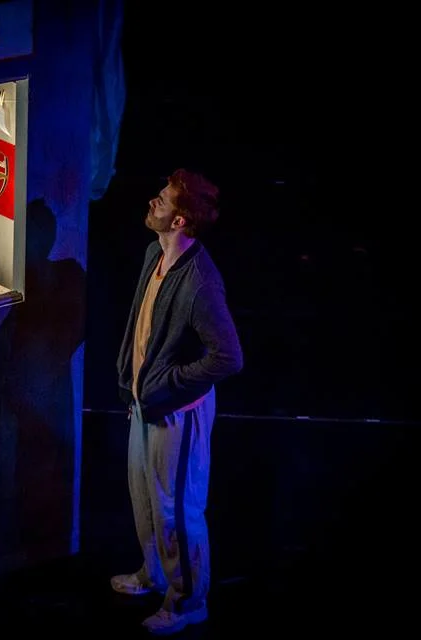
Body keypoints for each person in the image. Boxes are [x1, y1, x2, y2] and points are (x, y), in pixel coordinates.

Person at [112, 169, 243, 635]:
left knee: (176, 510)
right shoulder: (155, 253)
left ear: (180, 220)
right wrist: (135, 380)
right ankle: (154, 576)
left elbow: (228, 357)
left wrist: (171, 383)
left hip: (178, 415)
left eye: (163, 201)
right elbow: (142, 323)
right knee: (144, 498)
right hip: (146, 402)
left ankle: (188, 602)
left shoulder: (201, 283)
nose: (153, 202)